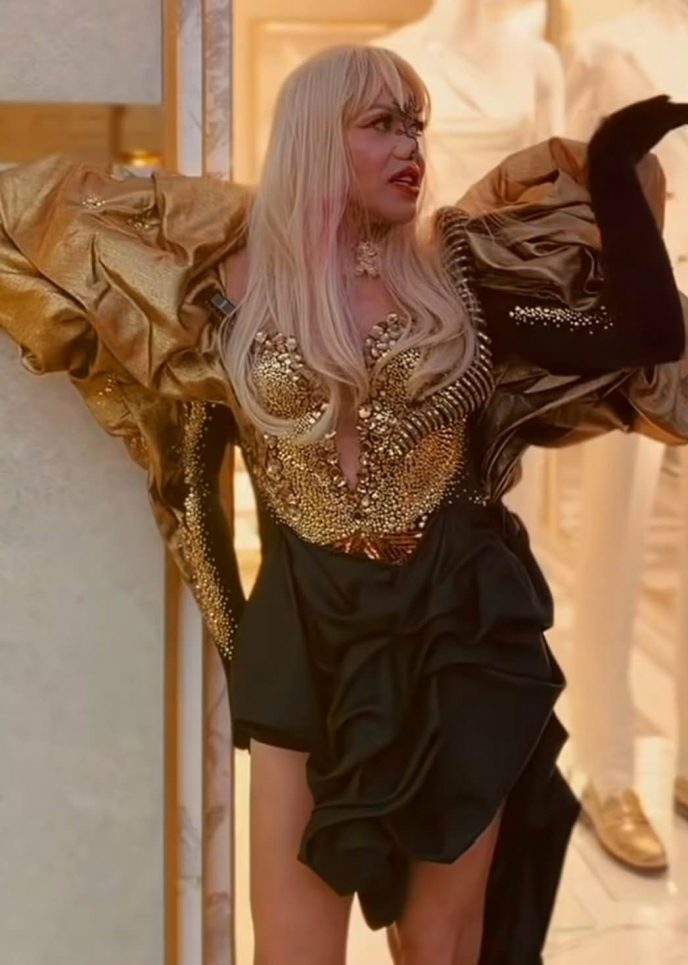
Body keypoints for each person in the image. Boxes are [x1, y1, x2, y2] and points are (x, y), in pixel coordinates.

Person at [1, 45, 687, 965]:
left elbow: (645, 334)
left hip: (459, 623)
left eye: (418, 126)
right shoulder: (224, 294)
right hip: (308, 629)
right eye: (383, 124)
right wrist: (245, 649)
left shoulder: (459, 279)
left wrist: (612, 157)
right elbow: (193, 485)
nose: (412, 146)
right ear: (317, 136)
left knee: (439, 943)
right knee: (292, 946)